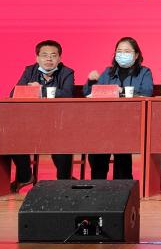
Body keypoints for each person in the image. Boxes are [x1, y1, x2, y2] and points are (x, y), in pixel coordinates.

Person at [83, 37, 153, 180]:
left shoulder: (144, 72)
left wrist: (122, 91)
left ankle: (123, 185)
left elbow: (147, 92)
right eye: (119, 51)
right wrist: (90, 82)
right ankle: (98, 184)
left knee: (122, 150)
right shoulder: (108, 72)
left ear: (136, 55)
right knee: (98, 151)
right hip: (105, 122)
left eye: (127, 51)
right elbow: (89, 93)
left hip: (130, 122)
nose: (122, 54)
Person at [12, 39, 76, 187]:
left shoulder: (67, 72)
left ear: (59, 58)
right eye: (44, 55)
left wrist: (40, 90)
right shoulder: (30, 71)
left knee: (62, 140)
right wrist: (28, 91)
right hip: (31, 122)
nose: (49, 59)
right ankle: (25, 176)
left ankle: (63, 181)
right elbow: (14, 93)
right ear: (37, 58)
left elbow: (67, 94)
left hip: (58, 123)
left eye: (53, 55)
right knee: (11, 137)